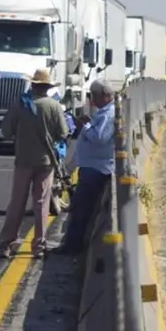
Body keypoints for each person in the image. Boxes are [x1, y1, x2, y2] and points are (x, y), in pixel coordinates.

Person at [0, 68, 69, 259]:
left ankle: (5, 244)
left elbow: (6, 131)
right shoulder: (54, 106)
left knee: (17, 203)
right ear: (48, 87)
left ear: (33, 85)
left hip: (23, 160)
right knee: (41, 204)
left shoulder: (20, 104)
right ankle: (39, 247)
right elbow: (63, 133)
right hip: (46, 162)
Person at [52, 80, 116, 256]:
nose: (92, 99)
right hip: (93, 165)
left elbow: (100, 138)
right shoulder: (104, 112)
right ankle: (75, 244)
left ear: (104, 96)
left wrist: (84, 126)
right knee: (81, 207)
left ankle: (73, 246)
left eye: (94, 95)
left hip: (96, 168)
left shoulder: (108, 114)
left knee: (81, 208)